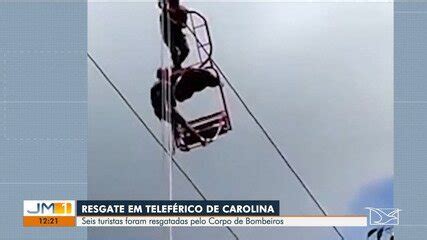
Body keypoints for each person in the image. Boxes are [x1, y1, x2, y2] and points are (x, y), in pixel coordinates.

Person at [150, 69, 206, 146]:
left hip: (159, 111)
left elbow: (153, 102)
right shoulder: (166, 84)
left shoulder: (154, 88)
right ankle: (199, 138)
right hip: (166, 109)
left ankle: (180, 139)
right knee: (182, 123)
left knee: (175, 123)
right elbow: (173, 102)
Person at [159, 0, 189, 69]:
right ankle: (176, 65)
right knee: (174, 51)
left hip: (178, 34)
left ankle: (177, 65)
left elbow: (184, 24)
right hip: (169, 35)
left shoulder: (182, 11)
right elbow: (163, 27)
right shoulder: (165, 14)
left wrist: (180, 24)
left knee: (185, 50)